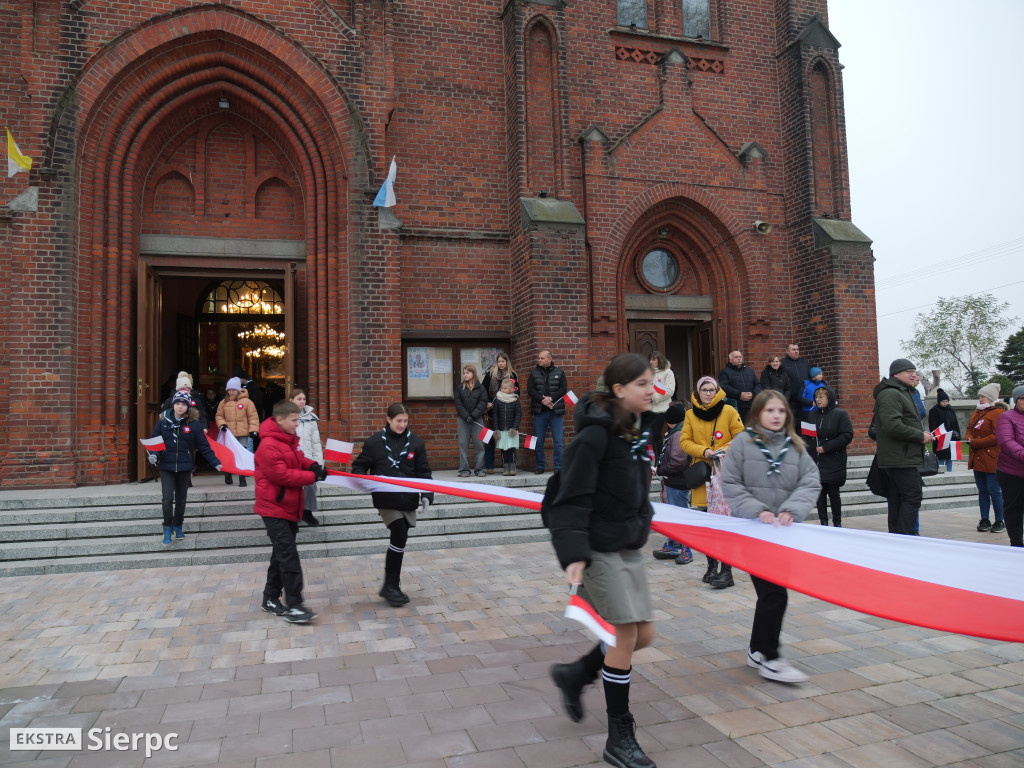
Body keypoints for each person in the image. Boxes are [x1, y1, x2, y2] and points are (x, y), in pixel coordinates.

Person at [546, 353, 658, 768]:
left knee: (641, 635)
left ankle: (575, 675)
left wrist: (643, 517)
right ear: (619, 389)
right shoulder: (593, 437)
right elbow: (567, 499)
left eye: (652, 383)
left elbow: (636, 489)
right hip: (596, 547)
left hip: (627, 545)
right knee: (624, 634)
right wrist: (573, 553)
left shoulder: (631, 432)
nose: (652, 390)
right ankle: (619, 735)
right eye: (644, 384)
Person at [720, 390, 821, 683]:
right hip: (753, 533)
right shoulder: (742, 443)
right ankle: (772, 658)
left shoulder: (797, 447)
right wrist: (757, 509)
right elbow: (730, 482)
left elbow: (810, 483)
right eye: (769, 411)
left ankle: (756, 650)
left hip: (783, 535)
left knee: (770, 595)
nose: (776, 416)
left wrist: (793, 508)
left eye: (780, 411)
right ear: (757, 414)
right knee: (775, 594)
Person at [351, 403, 434, 606]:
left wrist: (427, 495)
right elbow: (359, 466)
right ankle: (391, 586)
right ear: (388, 420)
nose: (402, 425)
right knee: (399, 532)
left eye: (405, 421)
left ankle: (392, 584)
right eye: (398, 421)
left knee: (400, 540)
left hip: (407, 499)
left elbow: (423, 472)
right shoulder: (374, 443)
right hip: (386, 498)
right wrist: (363, 480)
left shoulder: (416, 443)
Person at [255, 400, 326, 624]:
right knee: (289, 557)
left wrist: (312, 465)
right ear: (280, 420)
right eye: (294, 420)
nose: (297, 424)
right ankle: (295, 606)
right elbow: (282, 476)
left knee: (280, 555)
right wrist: (311, 477)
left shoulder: (287, 440)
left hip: (288, 507)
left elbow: (297, 459)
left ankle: (269, 598)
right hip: (273, 508)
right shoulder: (268, 446)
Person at [680, 375, 745, 588]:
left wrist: (722, 450)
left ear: (717, 391)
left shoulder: (728, 411)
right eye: (704, 390)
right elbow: (684, 441)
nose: (708, 394)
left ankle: (727, 572)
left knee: (723, 527)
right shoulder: (690, 414)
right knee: (707, 527)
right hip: (702, 473)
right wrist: (703, 451)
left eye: (711, 390)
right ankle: (711, 567)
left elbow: (741, 437)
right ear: (698, 392)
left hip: (724, 472)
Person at [149, 391, 222, 544]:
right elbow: (154, 440)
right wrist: (153, 454)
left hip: (185, 465)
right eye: (177, 403)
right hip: (166, 465)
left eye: (183, 404)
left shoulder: (193, 424)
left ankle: (178, 525)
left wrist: (214, 461)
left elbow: (203, 445)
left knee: (181, 499)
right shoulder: (162, 421)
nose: (180, 407)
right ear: (173, 404)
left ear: (188, 407)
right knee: (167, 499)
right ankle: (167, 528)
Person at [873, 359, 935, 535]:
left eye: (914, 371)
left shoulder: (902, 392)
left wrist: (922, 433)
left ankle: (898, 539)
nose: (914, 374)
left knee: (899, 499)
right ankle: (905, 538)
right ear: (896, 374)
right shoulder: (891, 394)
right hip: (900, 458)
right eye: (909, 371)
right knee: (911, 497)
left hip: (902, 456)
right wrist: (919, 436)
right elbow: (891, 425)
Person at [652, 403, 693, 564]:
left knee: (680, 516)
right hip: (673, 480)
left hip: (678, 481)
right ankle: (673, 543)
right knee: (673, 514)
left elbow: (678, 461)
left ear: (669, 420)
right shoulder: (675, 432)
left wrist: (661, 469)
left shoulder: (678, 435)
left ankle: (686, 550)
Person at [812, 385, 853, 526]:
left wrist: (827, 447)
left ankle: (837, 523)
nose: (818, 399)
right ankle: (823, 522)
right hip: (817, 461)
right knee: (820, 494)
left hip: (834, 460)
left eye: (821, 397)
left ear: (829, 398)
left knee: (833, 494)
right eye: (816, 397)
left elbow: (847, 435)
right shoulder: (812, 415)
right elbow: (805, 437)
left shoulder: (840, 414)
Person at [967, 382, 1005, 533]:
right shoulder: (977, 411)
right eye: (980, 396)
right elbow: (970, 428)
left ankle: (1000, 520)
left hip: (991, 457)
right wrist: (969, 438)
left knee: (994, 491)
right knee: (982, 490)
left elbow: (997, 436)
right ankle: (984, 519)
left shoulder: (997, 413)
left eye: (983, 396)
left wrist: (975, 442)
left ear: (991, 398)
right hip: (977, 457)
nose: (980, 399)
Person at [527, 349, 568, 474]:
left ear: (549, 359)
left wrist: (551, 398)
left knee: (558, 441)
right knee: (539, 441)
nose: (539, 360)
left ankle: (558, 467)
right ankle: (540, 466)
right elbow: (531, 390)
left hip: (556, 412)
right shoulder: (534, 373)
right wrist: (542, 400)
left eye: (542, 358)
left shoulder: (560, 372)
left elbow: (563, 389)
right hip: (540, 412)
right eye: (539, 358)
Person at [216, 376, 260, 487]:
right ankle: (228, 474)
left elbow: (253, 417)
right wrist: (222, 425)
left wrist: (253, 430)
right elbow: (219, 416)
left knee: (241, 455)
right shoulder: (223, 402)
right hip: (229, 434)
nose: (231, 392)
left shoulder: (247, 402)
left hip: (243, 433)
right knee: (229, 455)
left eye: (234, 390)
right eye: (229, 390)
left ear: (238, 390)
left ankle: (242, 478)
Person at [996, 385, 1024, 547]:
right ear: (1016, 400)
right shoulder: (1007, 417)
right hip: (1012, 472)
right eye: (1022, 398)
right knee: (1014, 509)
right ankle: (1017, 543)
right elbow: (1007, 442)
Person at [291, 388, 323, 526]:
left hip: (308, 459)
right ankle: (292, 514)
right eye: (299, 399)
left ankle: (307, 511)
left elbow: (316, 443)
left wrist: (319, 463)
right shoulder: (285, 417)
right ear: (291, 400)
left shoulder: (311, 419)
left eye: (304, 399)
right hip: (292, 459)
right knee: (293, 488)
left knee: (311, 485)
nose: (302, 402)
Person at [482, 352, 519, 474]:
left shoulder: (512, 374)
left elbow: (517, 393)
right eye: (499, 361)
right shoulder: (490, 374)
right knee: (489, 439)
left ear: (507, 362)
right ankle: (489, 466)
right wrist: (487, 402)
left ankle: (507, 467)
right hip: (491, 412)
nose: (501, 363)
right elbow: (483, 390)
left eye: (503, 361)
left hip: (507, 413)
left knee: (506, 439)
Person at [454, 364, 488, 477]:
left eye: (467, 373)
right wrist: (466, 416)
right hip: (463, 420)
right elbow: (458, 405)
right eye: (464, 373)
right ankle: (464, 470)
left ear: (473, 374)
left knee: (479, 444)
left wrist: (473, 416)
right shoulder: (459, 388)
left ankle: (480, 469)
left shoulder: (481, 388)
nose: (465, 375)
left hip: (477, 420)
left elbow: (482, 403)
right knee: (463, 444)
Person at [719, 350, 761, 423]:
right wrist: (739, 394)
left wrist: (753, 394)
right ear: (731, 360)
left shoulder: (750, 371)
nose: (739, 358)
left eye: (740, 357)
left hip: (750, 406)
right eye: (736, 357)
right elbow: (724, 387)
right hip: (735, 407)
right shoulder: (725, 372)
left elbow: (758, 385)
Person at [649, 350, 676, 459]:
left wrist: (655, 397)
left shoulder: (668, 372)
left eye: (654, 359)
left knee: (655, 433)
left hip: (661, 409)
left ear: (659, 360)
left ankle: (660, 458)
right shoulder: (649, 373)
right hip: (649, 409)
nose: (651, 361)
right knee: (650, 435)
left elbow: (669, 391)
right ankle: (654, 458)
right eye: (650, 359)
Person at [492, 377, 522, 475]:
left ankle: (512, 466)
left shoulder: (515, 400)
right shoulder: (497, 400)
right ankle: (505, 467)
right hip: (501, 429)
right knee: (504, 449)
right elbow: (495, 415)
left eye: (505, 388)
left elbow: (518, 415)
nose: (502, 390)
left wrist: (515, 427)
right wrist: (496, 429)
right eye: (502, 388)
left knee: (511, 448)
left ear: (512, 389)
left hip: (512, 429)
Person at [928, 389, 960, 472]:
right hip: (940, 437)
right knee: (940, 457)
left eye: (947, 401)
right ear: (939, 401)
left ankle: (949, 472)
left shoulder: (951, 410)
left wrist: (957, 435)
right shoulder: (934, 411)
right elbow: (932, 425)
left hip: (951, 437)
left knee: (950, 457)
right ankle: (940, 471)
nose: (945, 403)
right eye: (943, 401)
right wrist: (935, 436)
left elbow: (955, 423)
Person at [779, 343, 811, 416]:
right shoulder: (782, 364)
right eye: (793, 349)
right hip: (791, 398)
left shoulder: (804, 363)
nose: (796, 351)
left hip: (804, 397)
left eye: (797, 349)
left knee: (805, 421)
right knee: (791, 421)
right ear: (787, 351)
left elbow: (809, 378)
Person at [798, 367, 826, 449]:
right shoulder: (806, 385)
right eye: (820, 374)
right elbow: (800, 398)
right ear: (814, 375)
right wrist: (811, 402)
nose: (822, 376)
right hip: (808, 413)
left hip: (821, 412)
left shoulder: (823, 385)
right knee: (809, 434)